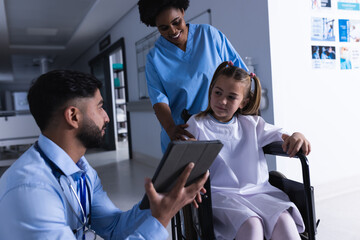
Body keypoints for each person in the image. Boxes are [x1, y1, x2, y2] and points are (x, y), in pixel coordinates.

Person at [0, 70, 209, 240]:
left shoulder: (80, 169)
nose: (107, 118)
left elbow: (114, 227)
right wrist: (160, 220)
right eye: (100, 107)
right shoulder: (32, 191)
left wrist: (162, 199)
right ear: (73, 116)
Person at [185, 62, 311, 240]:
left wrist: (297, 135)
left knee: (284, 221)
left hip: (259, 192)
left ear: (243, 103)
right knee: (251, 225)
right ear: (211, 90)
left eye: (231, 97)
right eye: (218, 93)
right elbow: (183, 159)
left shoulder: (252, 124)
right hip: (220, 195)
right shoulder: (197, 124)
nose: (222, 101)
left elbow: (284, 137)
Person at [137, 0, 248, 152]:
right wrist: (171, 129)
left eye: (176, 22)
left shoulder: (209, 35)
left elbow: (241, 76)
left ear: (183, 11)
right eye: (163, 28)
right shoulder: (154, 58)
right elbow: (158, 99)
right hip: (184, 132)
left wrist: (248, 116)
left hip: (221, 126)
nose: (172, 31)